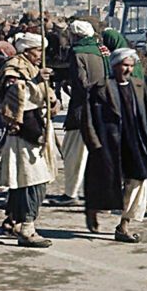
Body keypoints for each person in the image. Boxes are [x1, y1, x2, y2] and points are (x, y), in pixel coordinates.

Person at [81, 47, 147, 243]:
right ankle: (93, 208)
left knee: (139, 179)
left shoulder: (138, 86)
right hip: (108, 142)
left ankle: (124, 224)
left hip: (135, 141)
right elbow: (87, 119)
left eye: (131, 66)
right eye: (124, 65)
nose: (128, 69)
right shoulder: (100, 88)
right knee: (104, 181)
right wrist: (94, 143)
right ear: (114, 66)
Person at [0, 32, 59, 247]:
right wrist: (37, 81)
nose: (41, 55)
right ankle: (27, 228)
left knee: (27, 181)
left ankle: (12, 220)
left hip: (38, 128)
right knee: (33, 182)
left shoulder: (32, 68)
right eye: (38, 51)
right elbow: (13, 95)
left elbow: (45, 95)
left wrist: (51, 98)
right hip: (24, 132)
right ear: (27, 50)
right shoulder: (13, 68)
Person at [52, 19, 107, 206]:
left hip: (82, 110)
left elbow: (81, 83)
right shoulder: (104, 50)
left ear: (75, 36)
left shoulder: (77, 53)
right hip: (104, 108)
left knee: (72, 152)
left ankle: (70, 194)